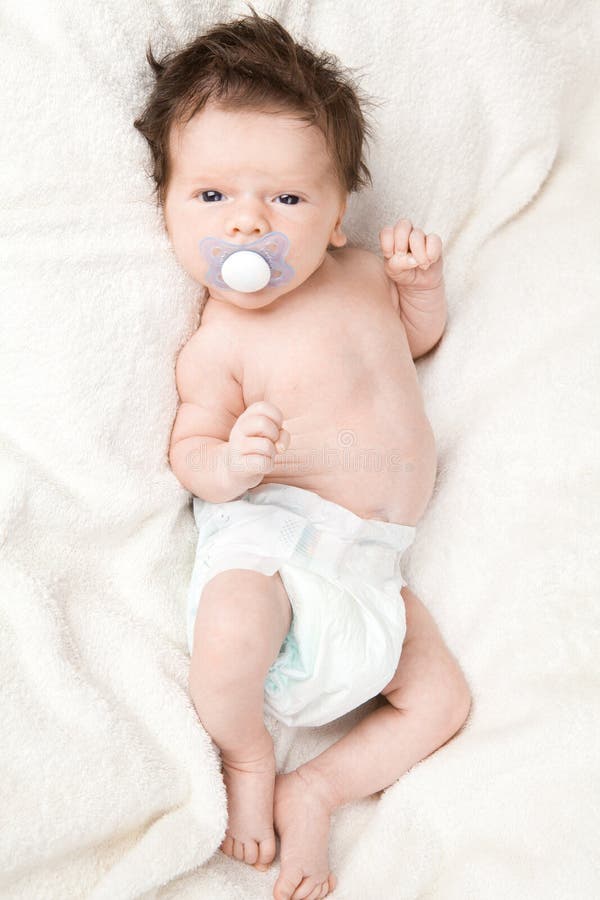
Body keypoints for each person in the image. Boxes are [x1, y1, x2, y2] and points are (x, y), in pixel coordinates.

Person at [134, 6, 471, 899]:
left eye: (284, 198)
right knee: (231, 635)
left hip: (372, 566)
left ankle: (316, 786)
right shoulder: (215, 343)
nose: (248, 225)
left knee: (441, 702)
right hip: (275, 543)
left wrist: (420, 286)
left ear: (335, 217)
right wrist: (235, 464)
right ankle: (247, 756)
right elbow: (191, 451)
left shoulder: (362, 273)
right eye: (210, 197)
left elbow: (418, 343)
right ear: (167, 211)